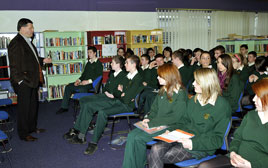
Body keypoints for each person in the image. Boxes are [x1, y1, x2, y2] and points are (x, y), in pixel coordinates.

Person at [148, 68, 231, 168]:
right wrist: (170, 130)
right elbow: (183, 121)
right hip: (183, 136)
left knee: (156, 156)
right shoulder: (194, 100)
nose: (193, 84)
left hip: (200, 145)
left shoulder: (221, 106)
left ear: (206, 83)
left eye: (197, 82)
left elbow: (217, 139)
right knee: (156, 149)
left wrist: (193, 143)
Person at [71, 55, 142, 155]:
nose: (124, 64)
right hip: (117, 101)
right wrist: (122, 92)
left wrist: (122, 92)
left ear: (134, 65)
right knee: (89, 106)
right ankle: (81, 136)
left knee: (102, 113)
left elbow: (125, 99)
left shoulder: (137, 79)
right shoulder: (127, 76)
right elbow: (117, 93)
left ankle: (94, 142)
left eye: (127, 63)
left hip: (126, 105)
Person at [122, 63, 188, 168]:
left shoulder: (180, 93)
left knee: (138, 138)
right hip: (158, 123)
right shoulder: (163, 90)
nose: (157, 77)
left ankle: (139, 165)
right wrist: (148, 118)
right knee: (131, 135)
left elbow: (176, 117)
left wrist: (152, 123)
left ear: (168, 76)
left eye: (160, 76)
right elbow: (154, 109)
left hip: (172, 126)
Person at [198, 78, 268, 168]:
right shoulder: (251, 115)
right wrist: (233, 153)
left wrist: (251, 165)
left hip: (255, 165)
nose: (254, 99)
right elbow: (237, 138)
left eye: (258, 96)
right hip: (235, 159)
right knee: (204, 166)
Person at [63, 55, 126, 144]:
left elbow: (119, 92)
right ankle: (77, 128)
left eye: (112, 63)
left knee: (88, 105)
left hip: (112, 99)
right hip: (105, 95)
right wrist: (107, 92)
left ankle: (81, 134)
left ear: (118, 64)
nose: (111, 64)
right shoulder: (112, 75)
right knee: (83, 100)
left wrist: (111, 93)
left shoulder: (123, 76)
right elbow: (106, 88)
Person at [8, 18, 52, 141]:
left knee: (33, 106)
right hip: (24, 82)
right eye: (30, 27)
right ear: (22, 28)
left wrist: (43, 60)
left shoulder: (27, 41)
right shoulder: (16, 43)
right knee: (24, 109)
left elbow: (32, 58)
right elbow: (14, 65)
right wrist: (20, 81)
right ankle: (23, 134)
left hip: (32, 80)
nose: (33, 30)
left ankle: (32, 128)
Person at [56, 46, 103, 114]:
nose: (89, 54)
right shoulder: (88, 63)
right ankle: (64, 107)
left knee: (81, 89)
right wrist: (78, 80)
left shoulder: (99, 64)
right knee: (68, 87)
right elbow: (83, 75)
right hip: (84, 83)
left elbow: (98, 76)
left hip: (92, 84)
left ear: (95, 53)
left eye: (90, 52)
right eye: (88, 53)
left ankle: (84, 109)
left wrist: (87, 81)